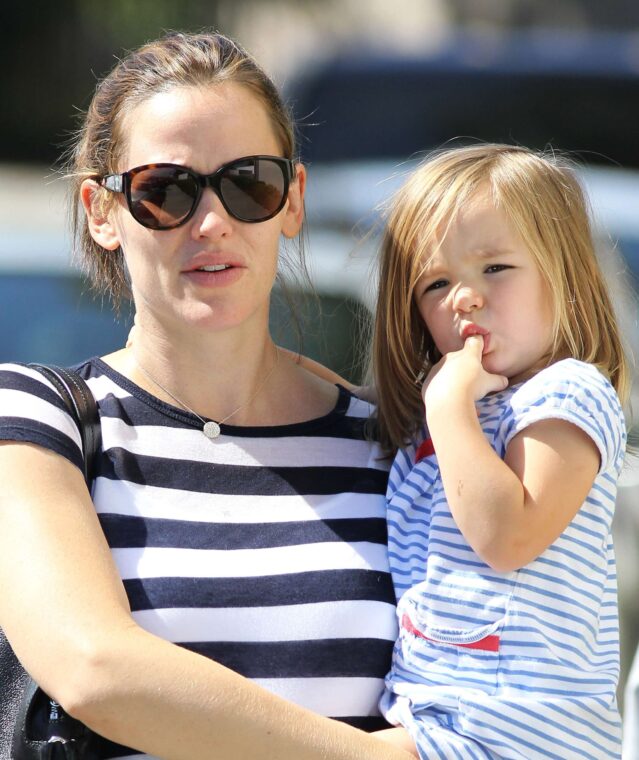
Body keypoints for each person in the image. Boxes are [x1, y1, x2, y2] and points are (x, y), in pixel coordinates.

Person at [0, 31, 417, 760]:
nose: (213, 221)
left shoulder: (394, 445)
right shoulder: (39, 419)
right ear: (103, 212)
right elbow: (95, 669)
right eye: (165, 190)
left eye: (248, 181)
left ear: (292, 200)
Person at [369, 144, 629, 759]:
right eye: (436, 283)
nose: (463, 297)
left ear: (562, 273)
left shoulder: (568, 392)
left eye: (495, 269)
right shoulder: (438, 421)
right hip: (433, 717)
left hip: (515, 731)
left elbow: (508, 536)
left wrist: (449, 409)